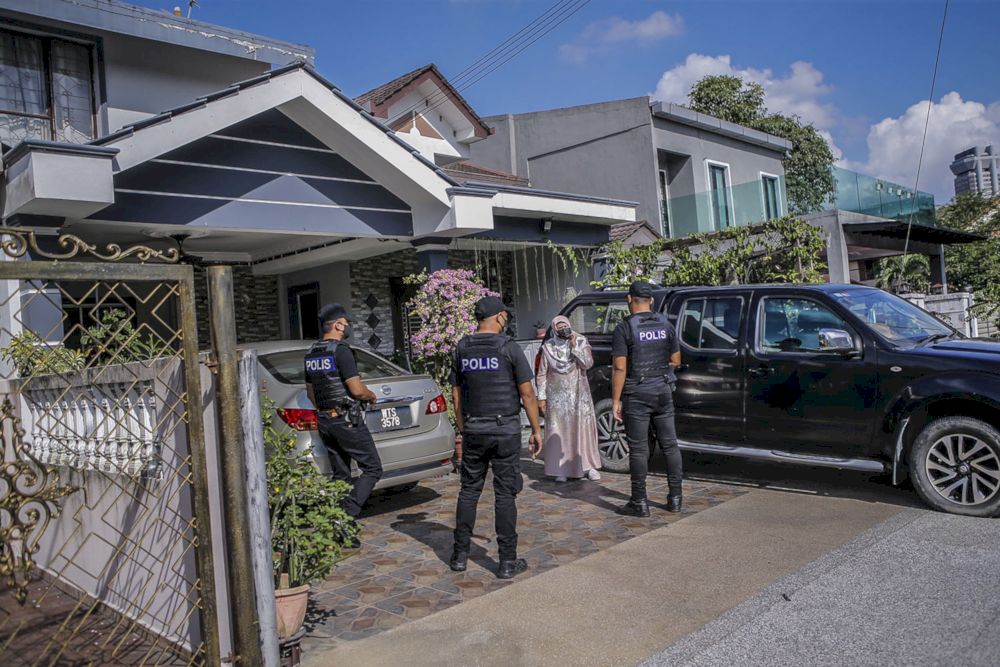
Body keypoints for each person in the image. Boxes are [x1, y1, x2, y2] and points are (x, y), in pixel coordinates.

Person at [450, 296, 543, 579]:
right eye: (506, 316)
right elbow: (527, 393)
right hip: (505, 431)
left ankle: (459, 557)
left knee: (469, 491)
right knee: (504, 495)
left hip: (475, 430)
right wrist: (536, 430)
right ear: (500, 317)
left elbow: (456, 393)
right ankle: (507, 562)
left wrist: (463, 427)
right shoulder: (509, 347)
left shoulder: (462, 348)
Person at [304, 303, 383, 536]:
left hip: (325, 421)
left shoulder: (311, 354)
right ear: (338, 325)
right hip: (346, 420)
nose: (348, 327)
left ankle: (341, 530)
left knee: (341, 475)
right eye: (346, 323)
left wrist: (327, 412)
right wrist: (371, 396)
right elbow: (356, 390)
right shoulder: (341, 351)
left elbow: (311, 394)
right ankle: (346, 516)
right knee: (373, 469)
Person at [611, 281, 683, 516]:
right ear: (651, 301)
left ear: (629, 299)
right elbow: (676, 360)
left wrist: (615, 400)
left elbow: (620, 368)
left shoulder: (624, 328)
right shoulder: (665, 324)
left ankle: (639, 502)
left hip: (637, 393)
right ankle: (675, 499)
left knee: (639, 449)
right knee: (670, 445)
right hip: (663, 390)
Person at [536, 315, 601, 482]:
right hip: (557, 397)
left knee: (582, 429)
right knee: (559, 431)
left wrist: (574, 346)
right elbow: (542, 374)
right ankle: (560, 469)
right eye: (559, 327)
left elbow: (587, 363)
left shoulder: (581, 341)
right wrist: (541, 397)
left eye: (565, 326)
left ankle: (588, 466)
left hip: (579, 394)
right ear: (554, 329)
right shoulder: (548, 347)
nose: (563, 329)